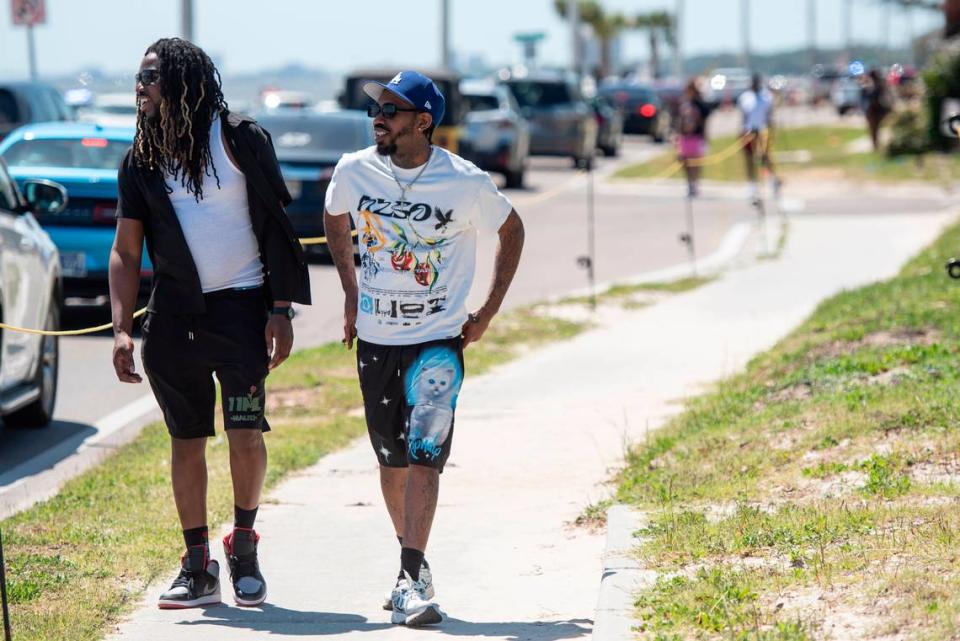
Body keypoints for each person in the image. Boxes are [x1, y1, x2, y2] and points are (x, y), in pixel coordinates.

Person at [109, 38, 311, 610]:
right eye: (138, 76)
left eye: (150, 76)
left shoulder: (241, 140)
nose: (140, 86)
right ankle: (197, 565)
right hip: (174, 319)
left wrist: (280, 309)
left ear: (183, 82)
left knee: (246, 433)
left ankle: (243, 546)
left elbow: (278, 225)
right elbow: (126, 251)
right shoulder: (140, 161)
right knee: (186, 440)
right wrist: (122, 327)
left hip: (243, 312)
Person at [323, 71, 524, 626]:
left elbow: (513, 230)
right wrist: (350, 291)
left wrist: (486, 312)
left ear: (424, 121)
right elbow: (335, 216)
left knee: (424, 457)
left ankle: (411, 579)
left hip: (437, 342)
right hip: (376, 338)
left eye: (391, 109)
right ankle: (411, 559)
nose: (378, 117)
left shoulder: (466, 182)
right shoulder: (353, 170)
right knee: (391, 461)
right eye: (376, 108)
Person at [737, 73, 781, 202]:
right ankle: (752, 185)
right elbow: (743, 117)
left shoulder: (766, 96)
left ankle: (772, 181)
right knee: (749, 159)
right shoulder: (745, 97)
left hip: (763, 131)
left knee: (765, 157)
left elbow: (769, 115)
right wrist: (741, 131)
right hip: (749, 131)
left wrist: (772, 130)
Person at [676, 78, 711, 197]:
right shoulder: (684, 103)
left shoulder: (700, 104)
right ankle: (689, 183)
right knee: (685, 161)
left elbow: (706, 118)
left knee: (695, 162)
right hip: (685, 137)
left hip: (696, 136)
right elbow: (679, 121)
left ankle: (695, 183)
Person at [863, 68, 892, 152]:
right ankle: (876, 147)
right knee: (875, 130)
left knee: (875, 130)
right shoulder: (876, 85)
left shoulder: (876, 86)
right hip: (876, 111)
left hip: (877, 111)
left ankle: (876, 147)